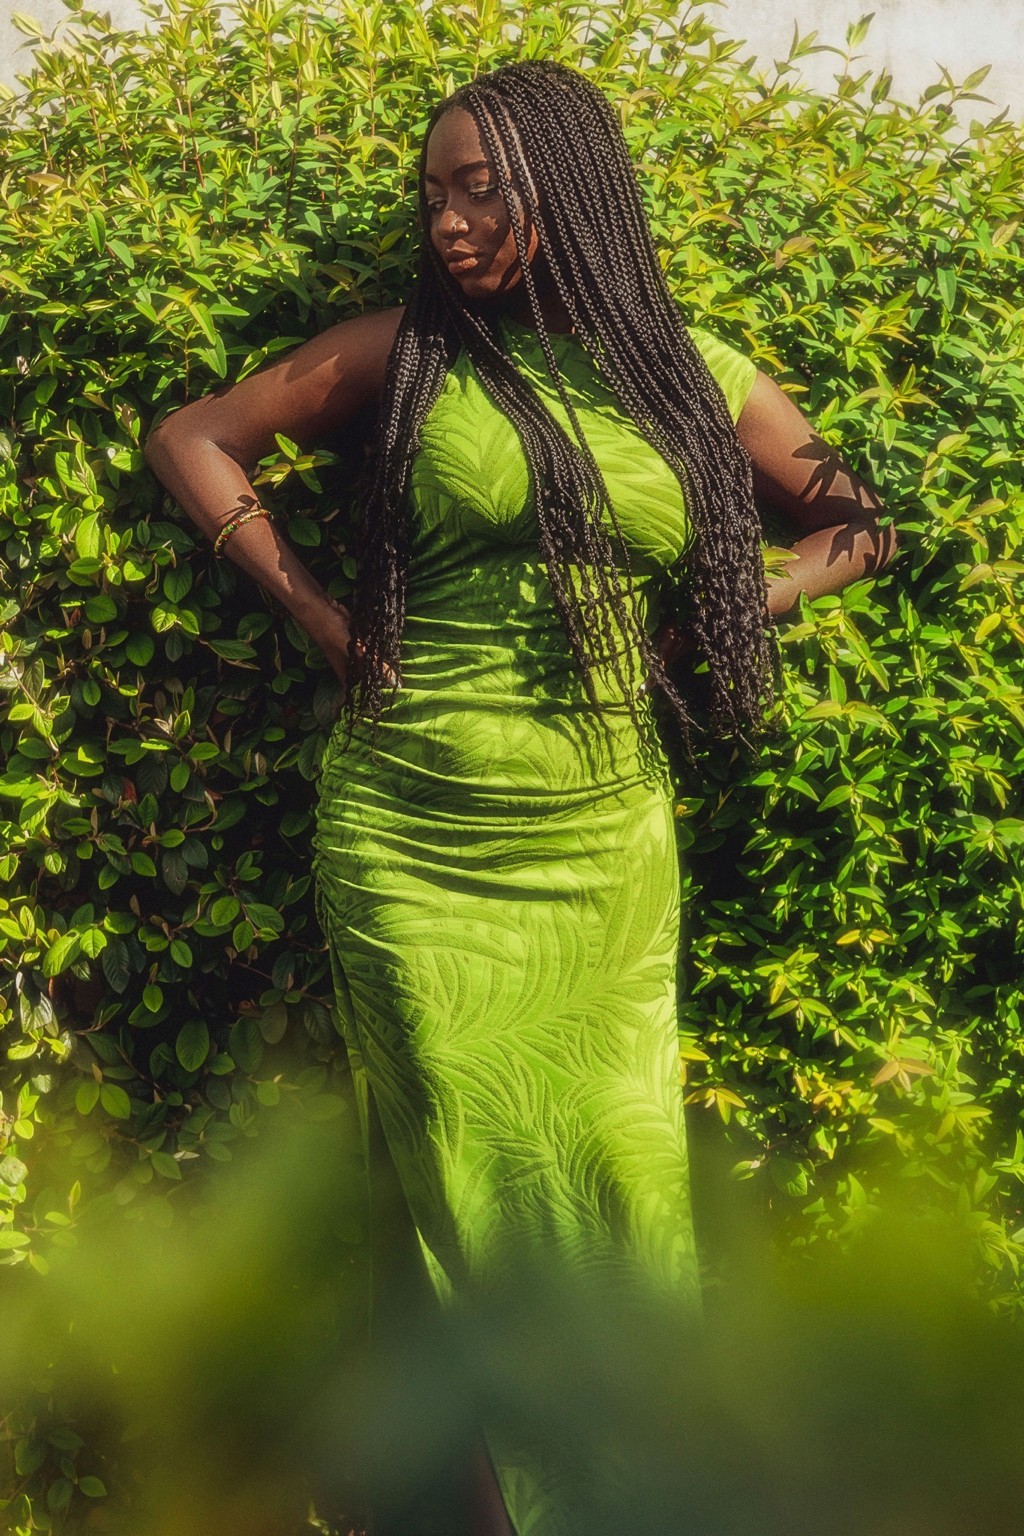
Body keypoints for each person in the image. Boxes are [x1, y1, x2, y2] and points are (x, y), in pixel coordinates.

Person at [144, 57, 896, 1536]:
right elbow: (191, 438)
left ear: (571, 187)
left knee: (618, 1192)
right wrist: (323, 619)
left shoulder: (695, 374)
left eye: (480, 189)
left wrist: (742, 599)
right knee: (469, 1179)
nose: (449, 221)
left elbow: (859, 519)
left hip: (606, 841)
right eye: (434, 194)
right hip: (414, 835)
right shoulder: (404, 355)